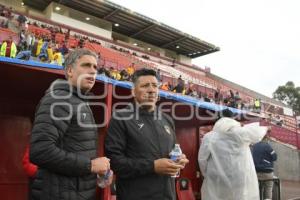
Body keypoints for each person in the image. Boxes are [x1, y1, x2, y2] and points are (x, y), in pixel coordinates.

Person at [30, 49, 112, 200]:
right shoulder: (59, 99)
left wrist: (97, 169)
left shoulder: (78, 101)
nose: (93, 71)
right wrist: (90, 165)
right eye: (86, 65)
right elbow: (40, 151)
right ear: (69, 70)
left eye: (95, 67)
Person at [105, 68, 189, 200]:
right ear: (133, 91)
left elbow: (174, 151)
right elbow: (115, 163)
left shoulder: (167, 120)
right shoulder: (120, 118)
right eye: (145, 86)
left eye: (155, 85)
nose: (151, 90)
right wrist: (152, 166)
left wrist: (179, 159)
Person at [198, 109, 268, 200]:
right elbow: (258, 132)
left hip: (216, 180)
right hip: (239, 179)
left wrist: (207, 175)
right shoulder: (241, 133)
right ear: (232, 119)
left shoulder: (209, 137)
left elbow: (202, 160)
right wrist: (266, 128)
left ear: (218, 119)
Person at [252, 134, 277, 200]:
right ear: (266, 138)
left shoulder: (254, 146)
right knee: (268, 188)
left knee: (258, 189)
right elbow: (274, 157)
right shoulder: (267, 146)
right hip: (267, 172)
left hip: (256, 172)